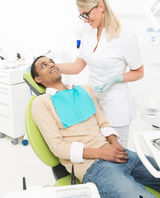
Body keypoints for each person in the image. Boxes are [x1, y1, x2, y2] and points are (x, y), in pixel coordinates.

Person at [31, 56, 159, 198]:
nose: (51, 65)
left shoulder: (83, 90)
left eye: (51, 62)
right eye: (44, 65)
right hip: (94, 167)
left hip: (117, 154)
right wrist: (102, 153)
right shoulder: (42, 103)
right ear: (38, 79)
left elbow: (102, 123)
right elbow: (58, 147)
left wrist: (115, 145)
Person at [56, 0, 144, 148]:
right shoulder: (88, 33)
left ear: (101, 7)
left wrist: (117, 78)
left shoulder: (125, 37)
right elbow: (77, 66)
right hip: (94, 105)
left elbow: (139, 72)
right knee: (99, 151)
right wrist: (52, 67)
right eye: (81, 15)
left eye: (86, 14)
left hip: (116, 108)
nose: (84, 20)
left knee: (117, 153)